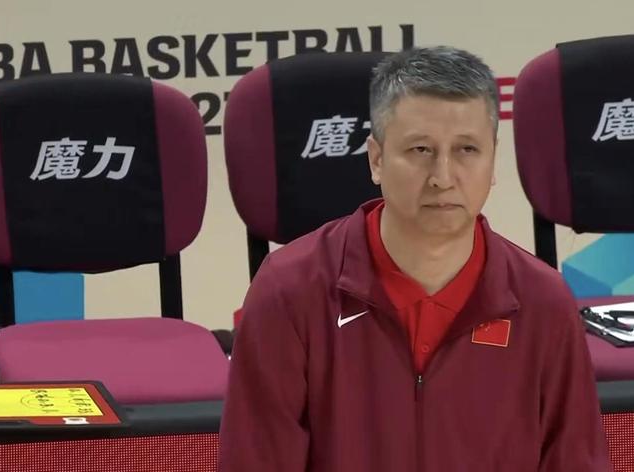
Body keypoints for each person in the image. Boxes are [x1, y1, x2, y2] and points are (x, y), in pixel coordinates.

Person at [219, 46, 611, 471]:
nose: (443, 178)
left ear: (493, 160)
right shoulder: (289, 292)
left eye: (467, 150)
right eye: (421, 150)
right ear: (376, 159)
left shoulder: (543, 302)